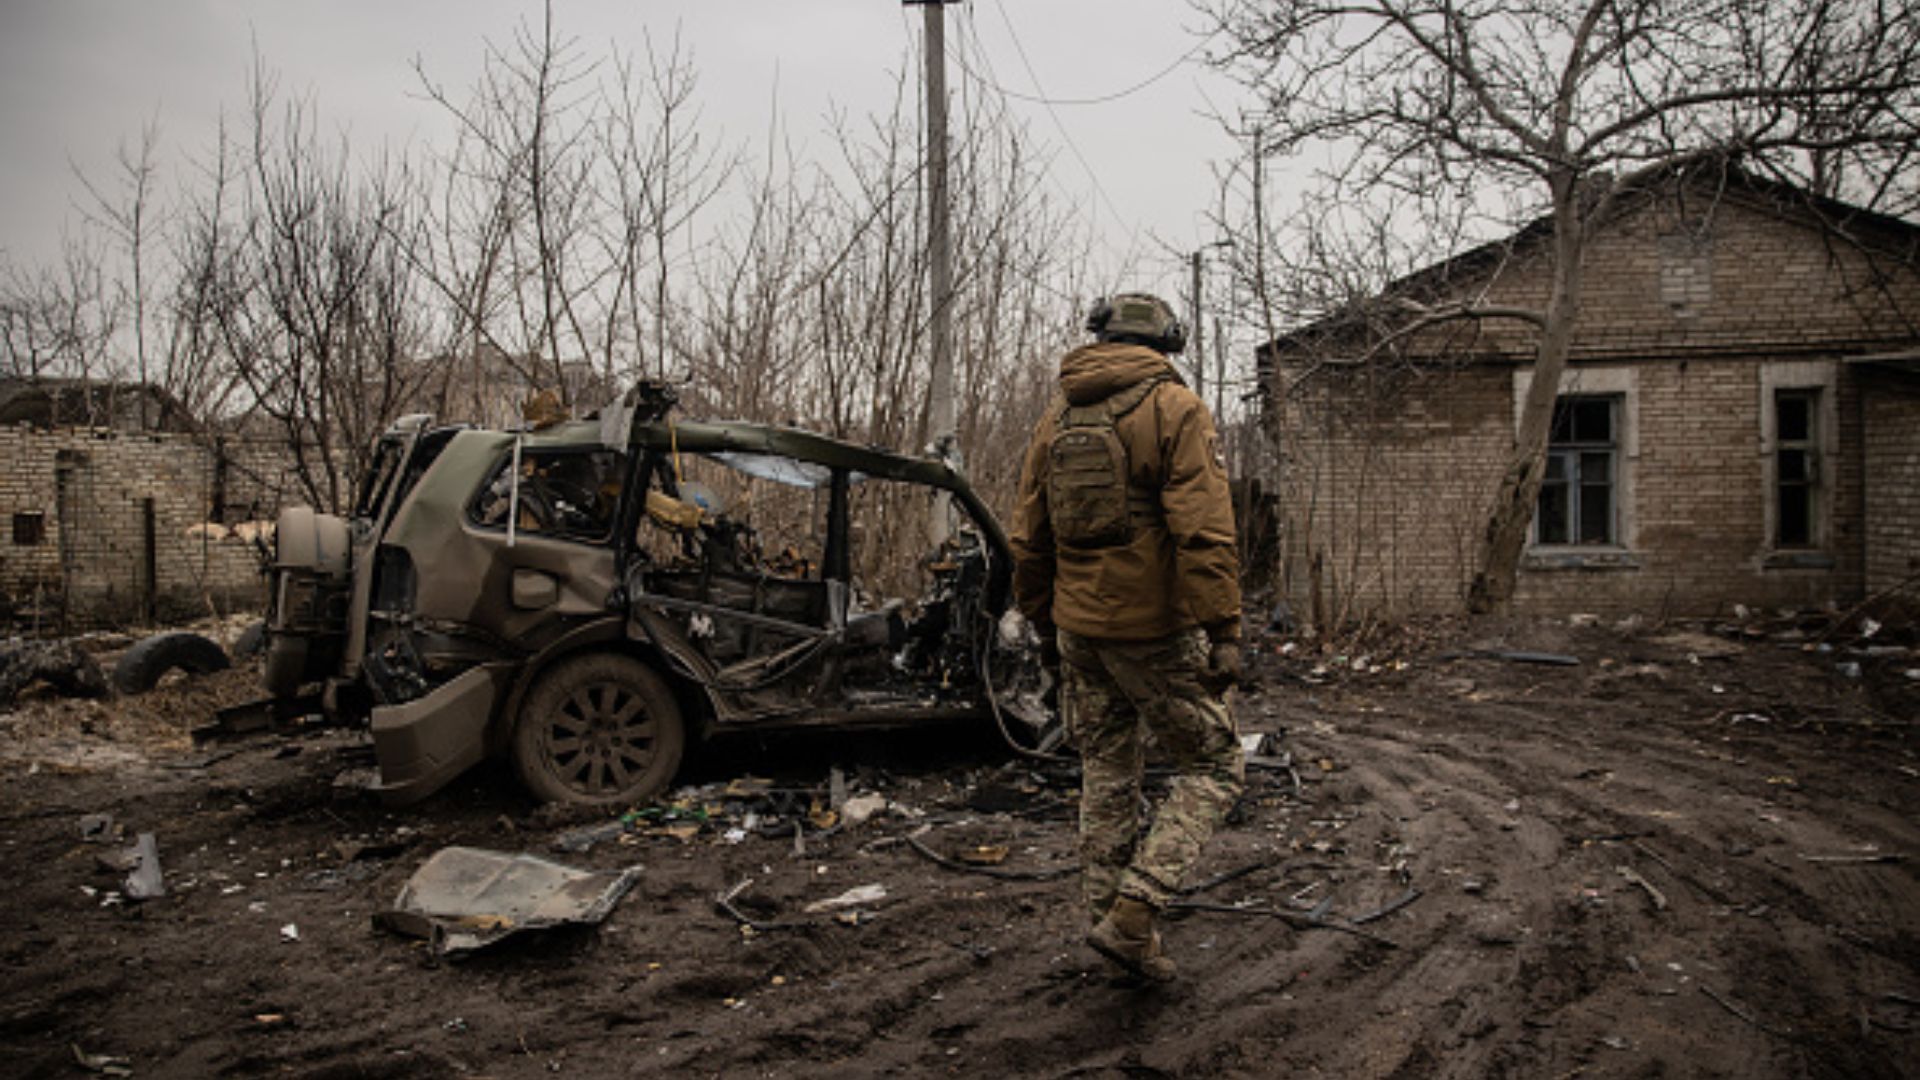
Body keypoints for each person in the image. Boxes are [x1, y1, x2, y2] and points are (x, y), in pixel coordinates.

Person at [1010, 292, 1245, 983]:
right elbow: (1204, 530)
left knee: (1107, 773)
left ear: (1102, 337)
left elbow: (1028, 538)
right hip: (1154, 630)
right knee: (1215, 765)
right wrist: (1223, 628)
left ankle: (1117, 937)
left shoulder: (1057, 416)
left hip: (1078, 628)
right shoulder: (1177, 409)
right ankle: (1136, 911)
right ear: (1167, 344)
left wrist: (1044, 623)